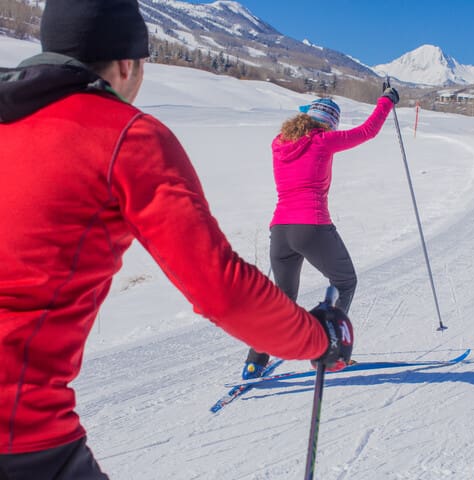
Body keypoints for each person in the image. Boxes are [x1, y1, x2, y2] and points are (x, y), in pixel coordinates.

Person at [0, 1, 352, 478]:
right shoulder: (126, 135)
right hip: (18, 433)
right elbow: (219, 288)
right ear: (127, 64)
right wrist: (318, 339)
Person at [242, 86, 399, 379]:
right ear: (329, 124)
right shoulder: (324, 141)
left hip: (280, 231)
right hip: (311, 225)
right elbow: (367, 131)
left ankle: (255, 362)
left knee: (283, 299)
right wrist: (386, 100)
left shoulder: (278, 143)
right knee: (345, 281)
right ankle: (331, 352)